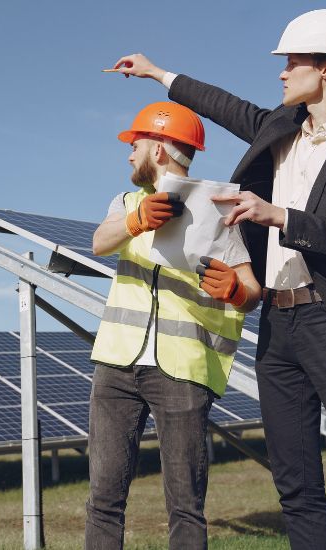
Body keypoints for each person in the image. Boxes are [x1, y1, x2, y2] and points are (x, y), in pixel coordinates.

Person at [111, 8, 326, 549]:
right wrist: (158, 73)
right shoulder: (278, 127)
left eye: (292, 63)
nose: (282, 73)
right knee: (296, 487)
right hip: (278, 330)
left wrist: (280, 216)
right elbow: (222, 104)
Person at [86, 101, 261, 550]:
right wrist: (135, 221)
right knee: (103, 498)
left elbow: (250, 287)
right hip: (116, 368)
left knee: (185, 505)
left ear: (160, 149)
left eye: (136, 144)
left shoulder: (219, 211)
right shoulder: (125, 202)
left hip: (183, 371)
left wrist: (237, 292)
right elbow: (99, 243)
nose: (129, 154)